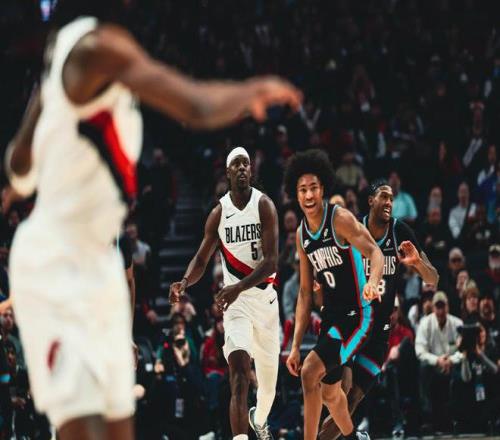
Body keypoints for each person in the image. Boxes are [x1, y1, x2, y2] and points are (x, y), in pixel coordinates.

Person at [4, 2, 301, 439]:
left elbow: (18, 165)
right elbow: (196, 106)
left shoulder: (63, 53)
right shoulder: (100, 45)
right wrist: (252, 90)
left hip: (91, 258)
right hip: (62, 257)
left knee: (117, 425)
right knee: (83, 427)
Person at [170, 147, 280, 440]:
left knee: (267, 389)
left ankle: (259, 419)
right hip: (237, 306)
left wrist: (237, 287)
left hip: (265, 302)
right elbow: (201, 259)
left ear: (251, 171)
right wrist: (184, 282)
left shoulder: (264, 205)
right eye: (236, 164)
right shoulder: (219, 213)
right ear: (228, 173)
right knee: (239, 375)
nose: (242, 168)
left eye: (246, 164)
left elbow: (272, 262)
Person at [319, 179, 438, 440]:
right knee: (340, 394)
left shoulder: (400, 231)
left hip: (380, 333)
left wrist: (417, 263)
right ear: (371, 200)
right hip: (353, 325)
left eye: (392, 198)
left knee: (352, 400)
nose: (388, 202)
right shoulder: (354, 229)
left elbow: (433, 279)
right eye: (383, 196)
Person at [283, 149, 385, 440]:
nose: (309, 194)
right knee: (330, 394)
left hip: (357, 314)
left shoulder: (339, 218)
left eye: (313, 187)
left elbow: (375, 252)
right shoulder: (302, 235)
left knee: (309, 373)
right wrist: (294, 346)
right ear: (296, 194)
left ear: (323, 188)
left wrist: (373, 281)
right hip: (331, 317)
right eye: (302, 189)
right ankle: (354, 438)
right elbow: (305, 293)